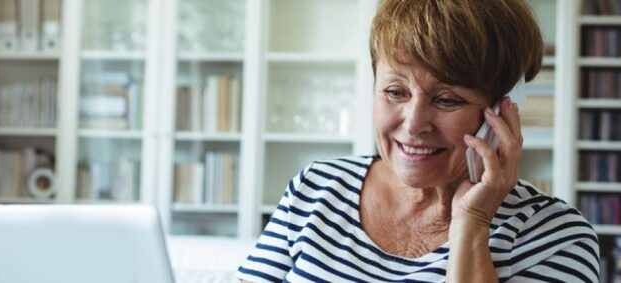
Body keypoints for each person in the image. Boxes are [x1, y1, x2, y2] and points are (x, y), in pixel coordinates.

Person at [236, 0, 599, 282]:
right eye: (395, 92)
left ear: (503, 110)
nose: (413, 125)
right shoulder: (315, 188)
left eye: (447, 100)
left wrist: (471, 223)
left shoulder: (556, 237)